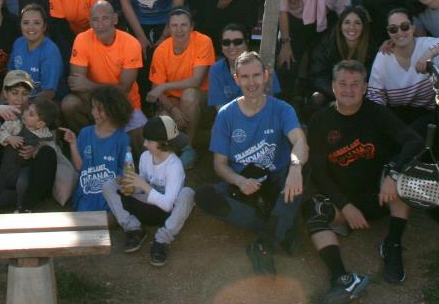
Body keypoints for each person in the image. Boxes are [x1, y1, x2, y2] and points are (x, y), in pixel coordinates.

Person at [306, 60, 421, 304]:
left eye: (355, 84)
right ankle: (342, 278)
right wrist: (345, 206)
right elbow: (318, 173)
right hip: (343, 201)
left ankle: (392, 244)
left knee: (404, 179)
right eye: (343, 84)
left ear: (365, 87)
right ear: (333, 87)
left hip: (379, 195)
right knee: (313, 213)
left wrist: (393, 172)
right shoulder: (319, 120)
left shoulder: (376, 113)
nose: (349, 90)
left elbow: (413, 141)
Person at [195, 51, 307, 275]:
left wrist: (296, 168)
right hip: (245, 184)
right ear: (236, 79)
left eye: (256, 75)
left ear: (266, 76)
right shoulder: (226, 115)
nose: (251, 82)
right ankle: (279, 228)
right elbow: (219, 164)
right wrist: (239, 180)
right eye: (245, 77)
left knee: (302, 170)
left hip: (276, 181)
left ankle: (263, 244)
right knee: (204, 196)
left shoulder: (282, 108)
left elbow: (300, 141)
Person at [102, 115, 196, 266]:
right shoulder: (146, 156)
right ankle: (134, 228)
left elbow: (167, 205)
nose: (144, 144)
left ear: (163, 143)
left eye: (149, 141)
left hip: (165, 213)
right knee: (109, 185)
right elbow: (142, 186)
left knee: (188, 194)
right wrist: (131, 183)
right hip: (145, 206)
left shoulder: (174, 166)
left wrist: (142, 185)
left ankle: (161, 240)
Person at [62, 1, 146, 136]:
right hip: (93, 103)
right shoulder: (82, 39)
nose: (100, 25)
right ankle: (88, 143)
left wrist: (90, 85)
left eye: (105, 18)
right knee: (69, 104)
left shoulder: (131, 43)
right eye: (95, 20)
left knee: (140, 142)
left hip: (124, 104)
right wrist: (100, 109)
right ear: (90, 22)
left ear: (115, 19)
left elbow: (124, 89)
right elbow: (77, 86)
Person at [367, 8, 439, 130]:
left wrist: (431, 53)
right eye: (393, 29)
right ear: (388, 32)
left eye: (404, 26)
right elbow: (375, 98)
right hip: (397, 114)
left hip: (428, 114)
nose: (399, 32)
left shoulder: (426, 45)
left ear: (413, 28)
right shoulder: (383, 57)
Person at [147, 8, 212, 167]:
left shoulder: (203, 41)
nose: (179, 30)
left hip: (201, 97)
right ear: (168, 28)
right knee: (162, 116)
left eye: (184, 25)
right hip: (172, 100)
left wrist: (165, 86)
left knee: (189, 95)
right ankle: (172, 153)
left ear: (192, 27)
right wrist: (172, 109)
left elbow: (196, 81)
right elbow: (156, 87)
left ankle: (189, 148)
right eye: (174, 25)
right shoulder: (161, 50)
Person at [0, 75, 60, 211]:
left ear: (41, 123)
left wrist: (36, 148)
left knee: (23, 183)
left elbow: (50, 147)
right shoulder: (14, 122)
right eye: (14, 93)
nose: (19, 99)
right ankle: (9, 200)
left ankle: (23, 205)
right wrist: (9, 138)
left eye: (25, 94)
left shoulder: (43, 126)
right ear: (5, 92)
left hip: (24, 170)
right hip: (5, 168)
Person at [62, 85, 132, 211]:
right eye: (93, 108)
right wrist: (72, 144)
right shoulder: (85, 133)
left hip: (110, 196)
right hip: (87, 194)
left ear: (113, 111)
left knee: (107, 218)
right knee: (86, 220)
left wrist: (121, 180)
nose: (95, 113)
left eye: (100, 109)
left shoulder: (122, 138)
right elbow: (79, 167)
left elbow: (126, 170)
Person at [309, 5, 377, 105]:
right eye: (347, 22)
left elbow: (372, 81)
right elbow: (318, 76)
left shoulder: (372, 49)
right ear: (340, 26)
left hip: (359, 97)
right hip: (332, 94)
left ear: (363, 27)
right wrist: (339, 94)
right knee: (317, 98)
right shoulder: (327, 45)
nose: (352, 27)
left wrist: (353, 95)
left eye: (357, 23)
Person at [207, 24, 282, 110]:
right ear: (221, 46)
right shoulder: (216, 69)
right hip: (229, 119)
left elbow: (271, 102)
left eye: (237, 42)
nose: (231, 47)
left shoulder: (262, 66)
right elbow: (220, 108)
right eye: (226, 43)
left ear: (246, 43)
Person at [9, 4, 62, 100]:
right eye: (26, 23)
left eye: (36, 23)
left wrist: (25, 110)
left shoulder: (50, 52)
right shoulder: (18, 43)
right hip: (19, 101)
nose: (31, 27)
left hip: (42, 105)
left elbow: (49, 93)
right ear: (20, 25)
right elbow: (9, 78)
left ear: (44, 27)